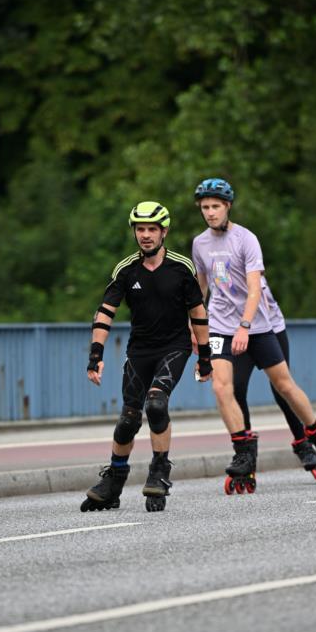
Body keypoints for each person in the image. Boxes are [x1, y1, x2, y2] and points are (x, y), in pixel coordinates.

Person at [191, 178, 316, 490]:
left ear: (227, 206)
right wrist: (195, 328)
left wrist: (245, 326)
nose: (210, 212)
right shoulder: (199, 243)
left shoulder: (246, 239)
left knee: (284, 387)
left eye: (215, 206)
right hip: (221, 325)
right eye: (205, 207)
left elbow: (253, 289)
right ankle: (244, 454)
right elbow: (201, 287)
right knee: (225, 389)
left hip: (260, 324)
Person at [83, 201, 212, 512]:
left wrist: (205, 356)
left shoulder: (181, 268)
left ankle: (159, 471)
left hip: (174, 348)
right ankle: (113, 480)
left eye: (152, 229)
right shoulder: (126, 270)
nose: (145, 235)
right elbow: (104, 313)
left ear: (164, 232)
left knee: (155, 404)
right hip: (139, 351)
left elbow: (198, 312)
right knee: (128, 420)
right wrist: (95, 356)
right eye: (140, 229)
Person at [233, 277, 316, 484]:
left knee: (281, 389)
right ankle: (246, 454)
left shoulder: (250, 264)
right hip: (237, 332)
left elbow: (260, 303)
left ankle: (302, 441)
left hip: (269, 330)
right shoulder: (217, 263)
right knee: (236, 389)